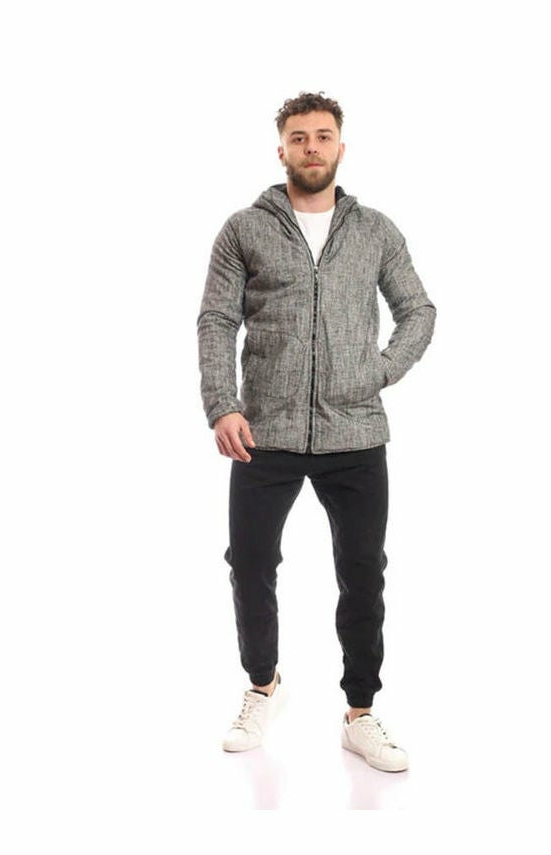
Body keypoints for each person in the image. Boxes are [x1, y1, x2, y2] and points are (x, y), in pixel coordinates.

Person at [197, 92, 436, 772]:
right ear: (282, 149)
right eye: (299, 137)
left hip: (355, 431)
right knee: (249, 564)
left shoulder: (376, 231)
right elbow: (217, 319)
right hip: (263, 431)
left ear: (340, 147)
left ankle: (360, 713)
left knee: (362, 571)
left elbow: (418, 310)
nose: (311, 147)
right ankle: (263, 686)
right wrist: (222, 404)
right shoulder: (244, 229)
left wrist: (379, 371)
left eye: (323, 136)